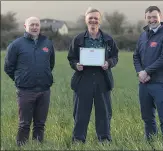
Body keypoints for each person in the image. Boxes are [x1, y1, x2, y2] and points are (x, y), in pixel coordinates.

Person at [67, 7, 118, 143]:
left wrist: (109, 63)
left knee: (104, 112)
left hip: (103, 79)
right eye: (90, 18)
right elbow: (71, 58)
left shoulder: (108, 39)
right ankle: (78, 140)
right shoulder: (78, 39)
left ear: (99, 20)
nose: (93, 20)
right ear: (86, 20)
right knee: (80, 113)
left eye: (96, 18)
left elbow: (115, 57)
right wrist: (76, 65)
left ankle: (104, 139)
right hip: (83, 79)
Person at [4, 16, 55, 146]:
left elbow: (51, 64)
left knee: (40, 124)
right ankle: (21, 146)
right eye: (31, 25)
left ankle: (37, 146)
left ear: (40, 27)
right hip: (25, 91)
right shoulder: (16, 45)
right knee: (24, 124)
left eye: (37, 25)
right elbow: (8, 67)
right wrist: (20, 79)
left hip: (44, 90)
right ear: (25, 27)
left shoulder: (47, 43)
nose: (34, 27)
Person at [133, 6, 163, 140]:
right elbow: (136, 56)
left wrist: (147, 71)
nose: (152, 20)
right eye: (149, 17)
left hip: (161, 83)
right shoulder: (143, 35)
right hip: (144, 83)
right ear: (145, 18)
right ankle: (151, 143)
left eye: (154, 17)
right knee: (147, 117)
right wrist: (140, 72)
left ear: (160, 17)